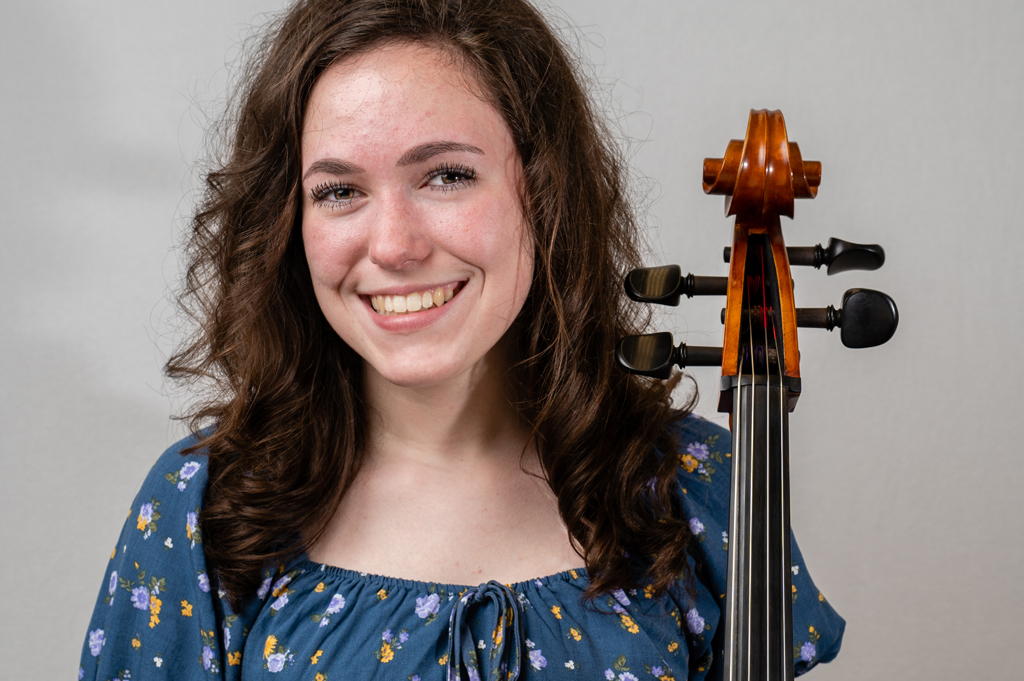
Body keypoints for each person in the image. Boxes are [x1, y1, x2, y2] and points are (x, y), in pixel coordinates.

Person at [79, 1, 844, 679]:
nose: (394, 245)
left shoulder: (700, 489)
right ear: (290, 224)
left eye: (445, 175)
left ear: (542, 195)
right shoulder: (201, 510)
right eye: (339, 191)